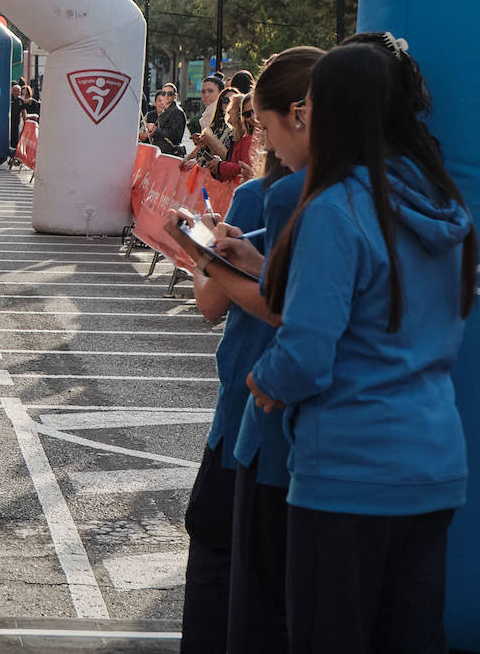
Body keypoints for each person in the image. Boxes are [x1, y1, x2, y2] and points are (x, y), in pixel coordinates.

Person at [242, 39, 474, 653]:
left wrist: (265, 381)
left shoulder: (337, 209)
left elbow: (306, 353)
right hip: (433, 463)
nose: (306, 115)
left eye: (313, 103)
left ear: (338, 111)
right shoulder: (445, 205)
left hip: (347, 470)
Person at [167, 45, 322, 653]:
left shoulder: (273, 198)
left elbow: (228, 306)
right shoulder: (406, 198)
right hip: (336, 433)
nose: (259, 137)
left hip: (255, 413)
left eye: (260, 123)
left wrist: (205, 255)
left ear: (299, 115)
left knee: (225, 570)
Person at [213, 91, 257, 183]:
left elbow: (245, 168)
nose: (253, 117)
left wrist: (220, 165)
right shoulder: (242, 139)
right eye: (247, 114)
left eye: (255, 111)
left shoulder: (250, 140)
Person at [139, 87, 186, 156]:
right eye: (164, 94)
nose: (166, 96)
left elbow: (175, 135)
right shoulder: (150, 115)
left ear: (175, 96)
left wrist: (156, 130)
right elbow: (141, 135)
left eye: (169, 94)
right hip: (157, 153)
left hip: (169, 154)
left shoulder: (177, 112)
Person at [8, 83, 24, 148]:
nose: (15, 92)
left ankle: (15, 148)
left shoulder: (21, 100)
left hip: (17, 120)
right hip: (9, 120)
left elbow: (23, 110)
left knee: (16, 134)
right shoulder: (9, 99)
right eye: (14, 90)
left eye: (17, 90)